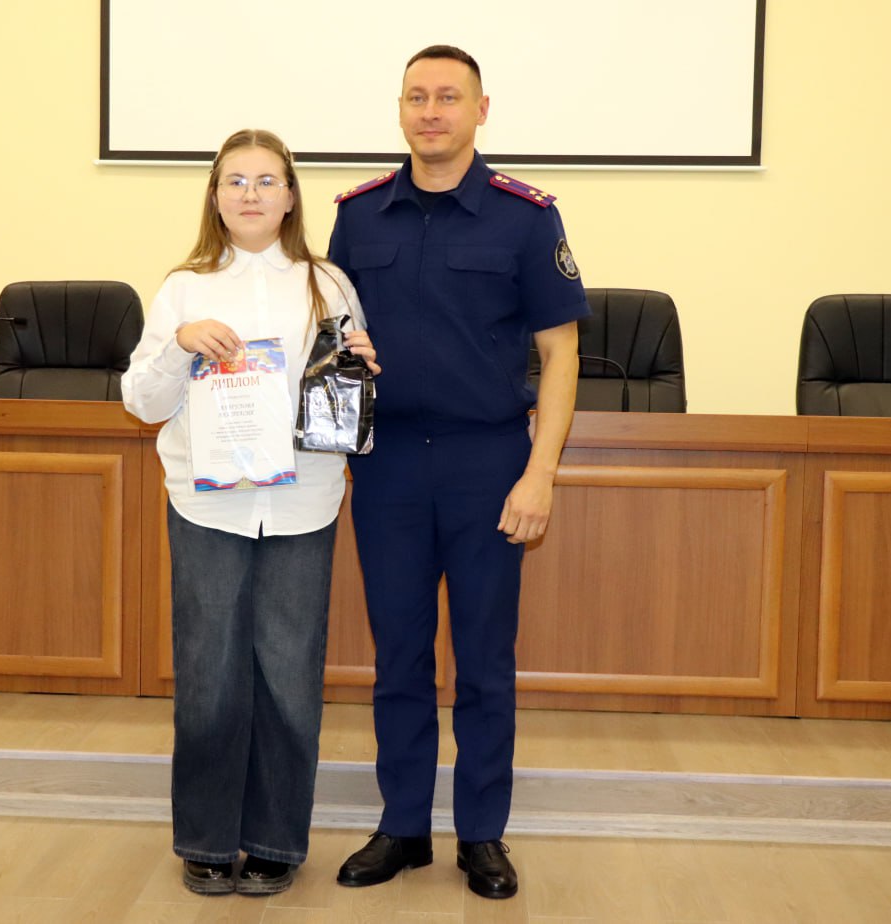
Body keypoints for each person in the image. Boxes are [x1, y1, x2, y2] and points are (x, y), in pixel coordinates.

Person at [328, 46, 588, 900]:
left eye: (448, 97)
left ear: (482, 110)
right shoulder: (359, 217)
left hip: (488, 463)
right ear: (400, 109)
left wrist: (540, 474)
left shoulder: (525, 217)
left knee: (483, 659)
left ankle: (482, 834)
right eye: (416, 97)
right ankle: (403, 827)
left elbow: (560, 354)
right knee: (399, 657)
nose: (430, 111)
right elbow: (333, 342)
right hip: (390, 465)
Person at [122, 129, 379, 897]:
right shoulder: (184, 288)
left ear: (292, 196)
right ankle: (205, 839)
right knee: (209, 677)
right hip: (208, 509)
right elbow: (141, 403)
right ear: (214, 196)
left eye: (268, 180)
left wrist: (363, 372)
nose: (251, 194)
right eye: (235, 180)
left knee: (290, 679)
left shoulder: (328, 285)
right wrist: (179, 345)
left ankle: (274, 841)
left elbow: (350, 411)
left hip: (302, 504)